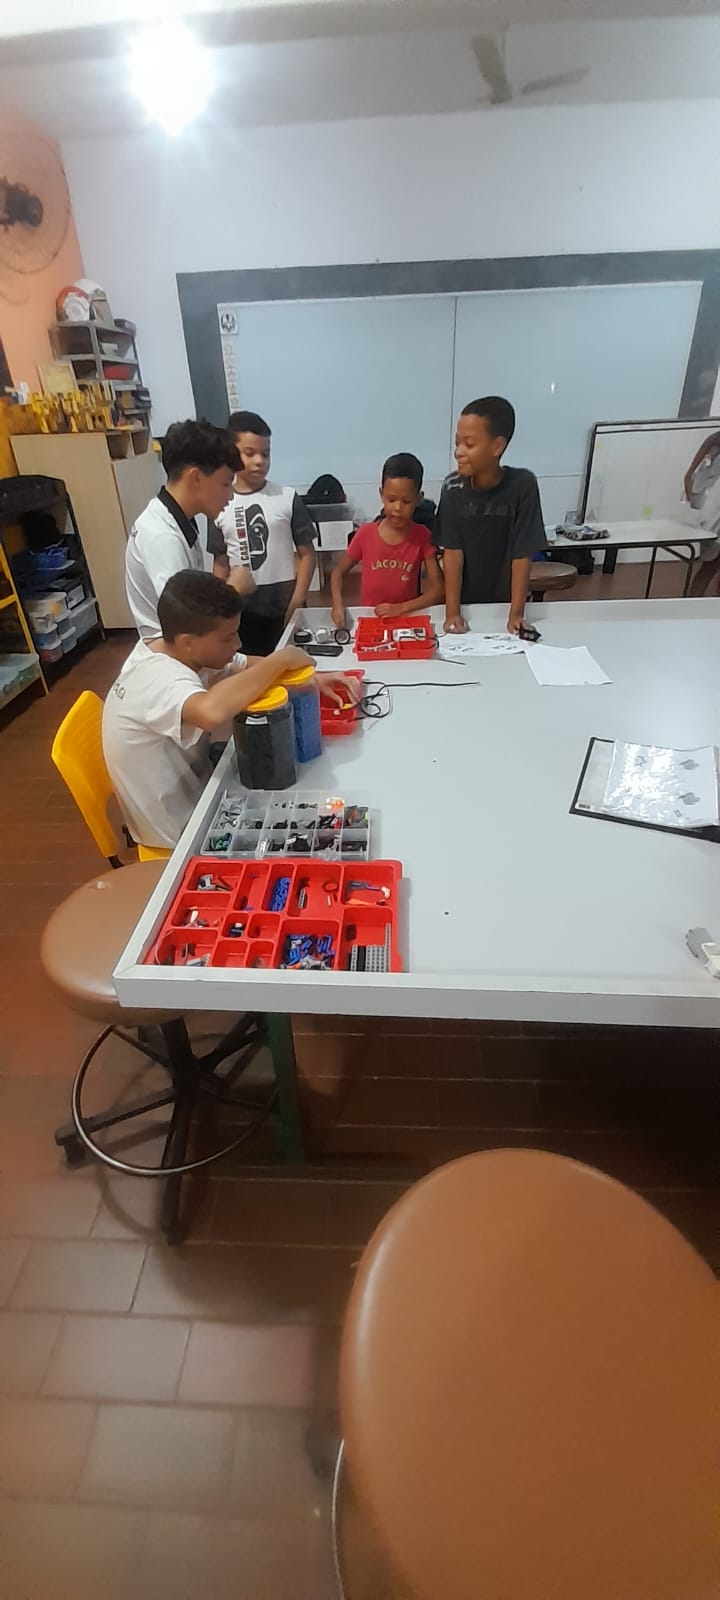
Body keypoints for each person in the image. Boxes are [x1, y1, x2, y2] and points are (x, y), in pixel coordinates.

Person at [103, 571, 362, 851]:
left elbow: (245, 665)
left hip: (200, 789)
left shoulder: (171, 647)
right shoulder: (157, 678)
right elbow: (210, 712)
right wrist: (282, 659)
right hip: (179, 834)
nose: (237, 644)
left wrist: (310, 679)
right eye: (227, 638)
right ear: (188, 641)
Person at [124, 419, 252, 640]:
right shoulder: (162, 537)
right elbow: (186, 618)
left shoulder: (176, 519)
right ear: (195, 478)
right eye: (225, 483)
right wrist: (233, 590)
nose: (230, 495)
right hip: (174, 653)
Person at [434, 397, 547, 635]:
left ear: (497, 446)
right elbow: (452, 553)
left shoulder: (523, 485)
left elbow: (522, 554)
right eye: (457, 443)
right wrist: (452, 612)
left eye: (469, 444)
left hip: (503, 604)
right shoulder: (453, 486)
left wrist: (516, 614)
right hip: (465, 605)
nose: (458, 452)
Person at [208, 410, 317, 656]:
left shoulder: (287, 498)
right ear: (231, 453)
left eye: (265, 453)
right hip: (241, 612)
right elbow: (220, 563)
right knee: (248, 668)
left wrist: (298, 599)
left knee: (290, 665)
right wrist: (220, 607)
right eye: (250, 453)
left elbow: (307, 555)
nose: (260, 461)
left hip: (284, 607)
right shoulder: (219, 503)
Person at [330, 453, 443, 628]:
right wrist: (337, 605)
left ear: (418, 499)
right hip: (370, 621)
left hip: (406, 621)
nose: (397, 507)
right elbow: (338, 573)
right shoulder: (365, 534)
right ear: (381, 494)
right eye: (391, 499)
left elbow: (438, 589)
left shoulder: (422, 536)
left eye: (406, 501)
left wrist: (401, 608)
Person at [684, 429, 720, 597]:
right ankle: (691, 602)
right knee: (710, 565)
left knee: (711, 566)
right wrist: (695, 507)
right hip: (712, 517)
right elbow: (688, 477)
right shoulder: (714, 440)